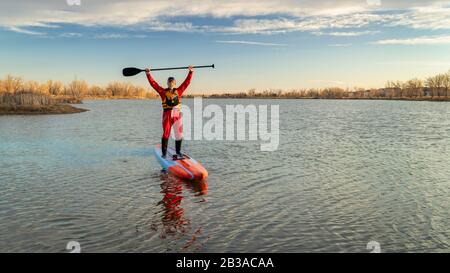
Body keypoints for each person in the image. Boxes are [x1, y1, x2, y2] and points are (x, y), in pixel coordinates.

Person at [145, 66, 194, 159]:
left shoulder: (179, 91)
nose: (171, 84)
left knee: (178, 134)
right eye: (169, 82)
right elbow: (154, 84)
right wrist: (148, 74)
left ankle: (178, 152)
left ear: (175, 83)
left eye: (172, 82)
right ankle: (164, 153)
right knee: (166, 133)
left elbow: (186, 83)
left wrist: (190, 72)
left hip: (176, 115)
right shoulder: (163, 92)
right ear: (167, 83)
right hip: (167, 115)